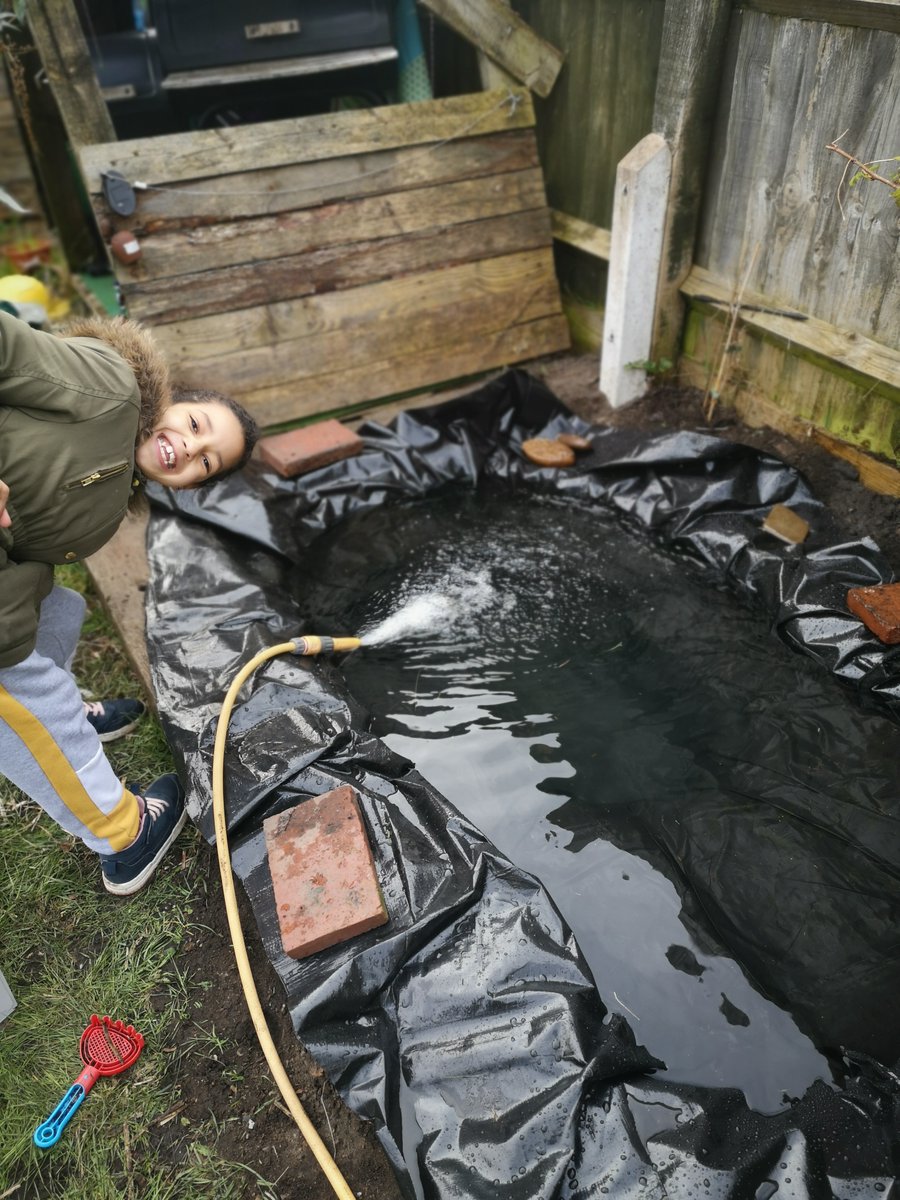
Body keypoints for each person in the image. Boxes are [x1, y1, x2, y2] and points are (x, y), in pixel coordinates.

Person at [0, 309, 258, 895]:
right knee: (21, 683)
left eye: (205, 462)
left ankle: (65, 714)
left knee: (58, 609)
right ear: (169, 401)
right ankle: (122, 833)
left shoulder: (118, 493)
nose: (189, 448)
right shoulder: (108, 387)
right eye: (194, 424)